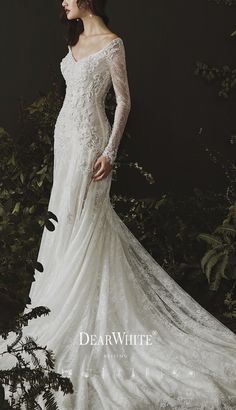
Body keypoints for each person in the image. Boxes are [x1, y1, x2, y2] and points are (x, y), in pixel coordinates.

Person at [1, 0, 236, 408]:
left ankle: (88, 317)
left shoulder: (112, 44)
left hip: (92, 140)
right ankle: (58, 308)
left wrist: (110, 152)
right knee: (65, 218)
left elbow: (124, 102)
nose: (62, 3)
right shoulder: (74, 39)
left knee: (88, 221)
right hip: (65, 138)